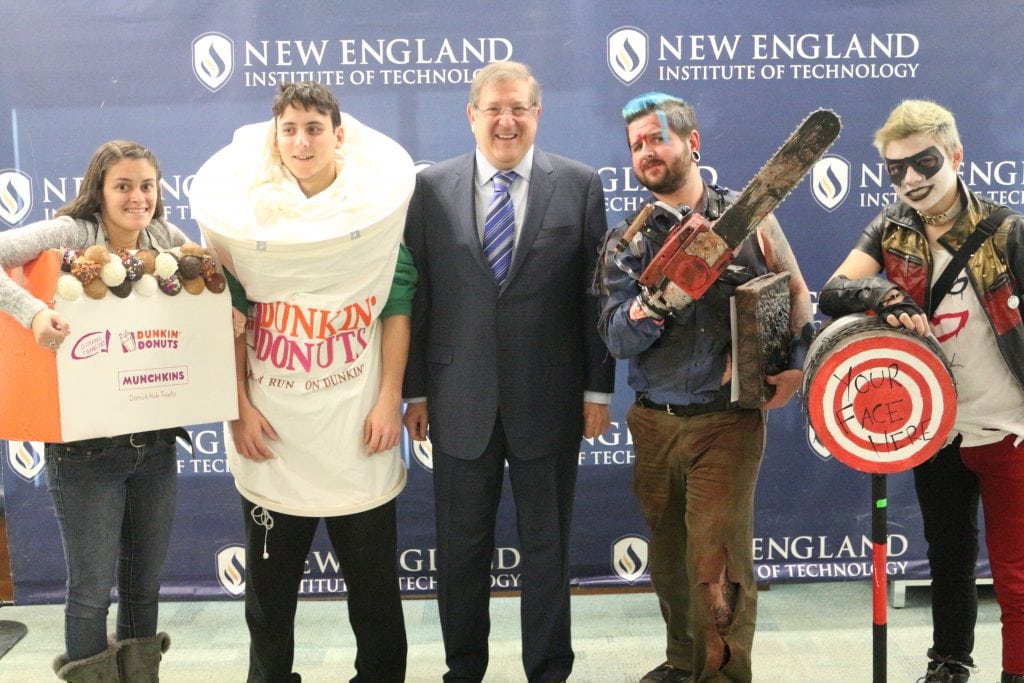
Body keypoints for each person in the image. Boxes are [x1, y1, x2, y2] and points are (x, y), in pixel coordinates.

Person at [190, 82, 416, 683]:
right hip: (273, 430)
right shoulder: (243, 216)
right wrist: (238, 408)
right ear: (274, 139)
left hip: (357, 425)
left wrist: (389, 398)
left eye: (314, 128)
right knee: (269, 597)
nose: (301, 141)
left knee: (374, 590)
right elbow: (229, 315)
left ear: (339, 136)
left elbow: (396, 303)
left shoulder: (375, 211)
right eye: (288, 129)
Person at [401, 60, 616, 683]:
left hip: (549, 401)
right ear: (472, 115)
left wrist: (597, 390)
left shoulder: (578, 185)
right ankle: (463, 670)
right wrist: (415, 391)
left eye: (518, 108)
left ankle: (548, 671)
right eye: (494, 108)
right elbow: (418, 296)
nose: (506, 121)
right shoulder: (429, 188)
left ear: (537, 114)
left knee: (548, 550)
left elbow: (596, 298)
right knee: (460, 552)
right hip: (456, 400)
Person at [596, 93, 814, 683]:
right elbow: (616, 336)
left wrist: (795, 367)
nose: (647, 151)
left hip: (726, 421)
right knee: (670, 561)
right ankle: (682, 661)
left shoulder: (751, 217)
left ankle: (722, 676)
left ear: (692, 144)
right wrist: (657, 302)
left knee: (716, 565)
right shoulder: (627, 243)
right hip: (653, 422)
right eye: (637, 145)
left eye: (657, 138)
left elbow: (797, 295)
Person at [819, 99, 1024, 683]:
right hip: (936, 428)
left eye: (924, 162)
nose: (911, 179)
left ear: (955, 156)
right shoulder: (890, 228)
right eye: (896, 168)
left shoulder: (1008, 231)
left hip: (1009, 427)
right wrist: (883, 294)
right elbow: (833, 291)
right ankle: (949, 663)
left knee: (1016, 572)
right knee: (948, 557)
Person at [0, 140, 184, 681]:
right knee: (90, 591)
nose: (137, 197)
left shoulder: (164, 238)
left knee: (144, 586)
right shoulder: (70, 234)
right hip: (84, 450)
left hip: (155, 444)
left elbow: (208, 278)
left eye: (146, 186)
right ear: (99, 191)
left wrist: (226, 312)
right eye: (123, 186)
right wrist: (34, 313)